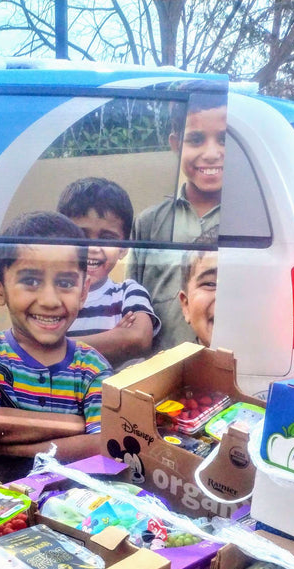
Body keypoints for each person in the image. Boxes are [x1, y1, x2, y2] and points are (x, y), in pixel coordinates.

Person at [0, 211, 111, 459]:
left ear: (83, 292)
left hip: (75, 495)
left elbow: (102, 443)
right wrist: (74, 424)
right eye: (30, 280)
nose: (50, 301)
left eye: (66, 283)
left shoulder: (92, 367)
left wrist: (23, 450)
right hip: (4, 492)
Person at [128, 86, 226, 349]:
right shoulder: (149, 223)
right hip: (161, 374)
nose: (211, 152)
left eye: (224, 140)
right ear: (175, 144)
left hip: (229, 369)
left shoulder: (251, 222)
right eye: (195, 140)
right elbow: (132, 307)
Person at [57, 176, 160, 368]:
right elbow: (30, 345)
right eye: (80, 236)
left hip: (114, 398)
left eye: (107, 238)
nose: (93, 248)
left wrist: (56, 348)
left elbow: (138, 339)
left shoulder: (128, 291)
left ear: (124, 248)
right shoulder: (50, 294)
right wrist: (114, 339)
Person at [178, 246, 218, 348]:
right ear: (186, 305)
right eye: (210, 284)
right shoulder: (174, 364)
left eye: (238, 284)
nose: (225, 297)